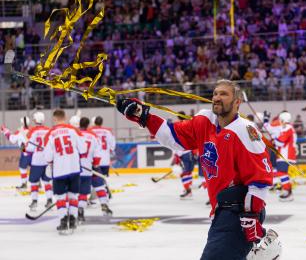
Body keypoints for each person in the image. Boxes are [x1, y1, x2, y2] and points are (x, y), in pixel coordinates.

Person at [116, 79, 273, 259]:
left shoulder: (245, 131)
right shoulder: (204, 120)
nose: (217, 97)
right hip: (222, 209)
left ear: (237, 102)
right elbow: (174, 137)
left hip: (239, 214)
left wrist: (251, 216)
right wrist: (143, 115)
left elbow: (260, 177)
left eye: (224, 94)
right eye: (215, 93)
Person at [44, 109, 86, 233]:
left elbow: (48, 157)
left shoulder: (50, 133)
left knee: (60, 197)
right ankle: (73, 220)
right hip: (74, 168)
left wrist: (52, 162)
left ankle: (63, 221)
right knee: (73, 195)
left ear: (54, 119)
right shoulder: (74, 130)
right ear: (65, 117)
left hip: (59, 170)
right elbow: (83, 149)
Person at [77, 117, 112, 222]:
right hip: (92, 166)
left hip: (78, 168)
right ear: (88, 125)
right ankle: (104, 205)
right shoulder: (93, 136)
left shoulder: (75, 135)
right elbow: (97, 153)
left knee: (82, 192)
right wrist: (95, 165)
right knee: (100, 186)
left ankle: (80, 211)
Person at [25, 112, 53, 210]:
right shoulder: (49, 130)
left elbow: (29, 149)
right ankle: (49, 200)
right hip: (47, 160)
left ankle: (34, 201)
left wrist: (24, 147)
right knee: (47, 182)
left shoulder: (32, 131)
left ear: (35, 120)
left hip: (36, 161)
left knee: (34, 182)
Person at [1, 117, 32, 189]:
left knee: (22, 168)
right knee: (35, 168)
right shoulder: (33, 130)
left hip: (25, 151)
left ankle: (24, 183)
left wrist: (6, 131)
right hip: (34, 153)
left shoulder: (19, 132)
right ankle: (37, 183)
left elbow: (12, 139)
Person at [90, 116, 116, 198]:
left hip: (94, 160)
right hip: (105, 160)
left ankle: (92, 196)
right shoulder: (108, 131)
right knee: (103, 177)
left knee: (92, 178)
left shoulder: (90, 131)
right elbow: (112, 146)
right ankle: (105, 190)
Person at [273, 111, 297, 202]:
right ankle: (288, 191)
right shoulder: (288, 128)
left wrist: (274, 137)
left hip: (285, 155)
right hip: (285, 154)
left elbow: (280, 142)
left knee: (281, 173)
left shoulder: (287, 128)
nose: (279, 121)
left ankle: (288, 192)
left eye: (280, 120)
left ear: (283, 119)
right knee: (282, 173)